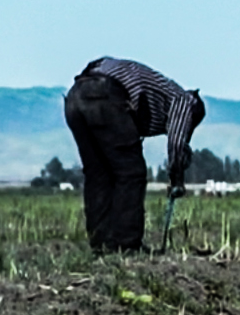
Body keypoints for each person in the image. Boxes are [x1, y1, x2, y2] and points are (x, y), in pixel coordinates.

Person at [64, 57, 204, 253]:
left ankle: (101, 244)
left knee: (98, 174)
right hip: (105, 94)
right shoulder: (185, 102)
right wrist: (177, 179)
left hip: (76, 95)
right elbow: (177, 143)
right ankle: (126, 244)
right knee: (131, 173)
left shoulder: (159, 95)